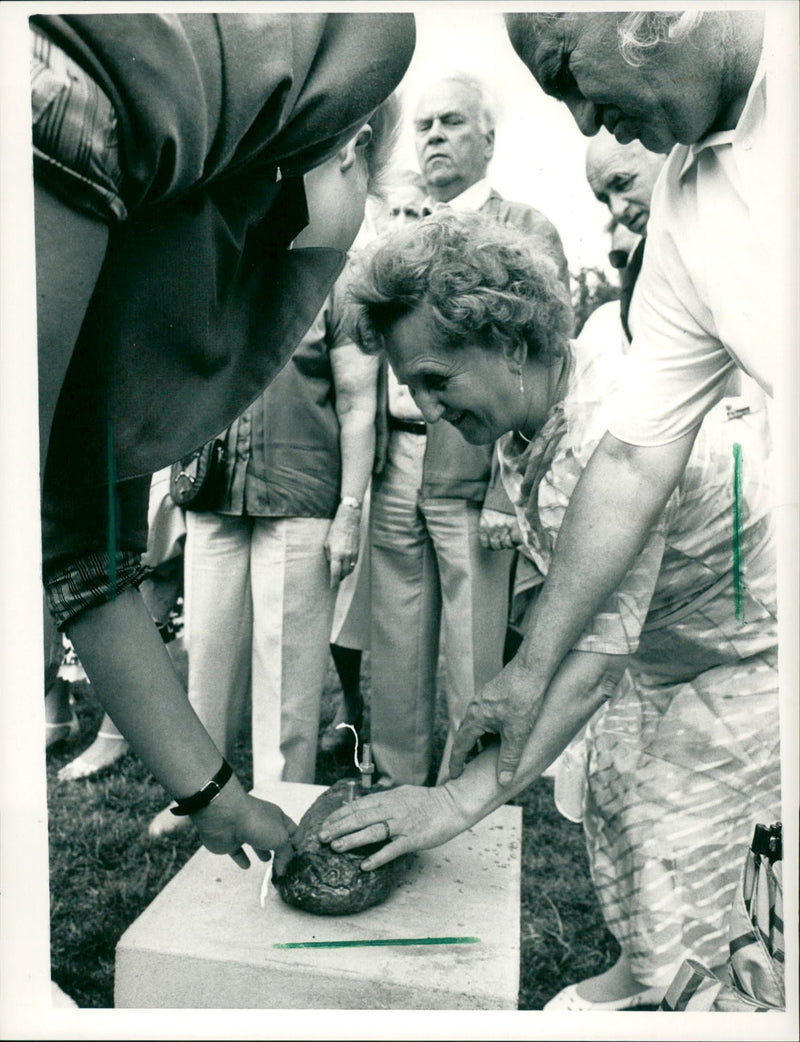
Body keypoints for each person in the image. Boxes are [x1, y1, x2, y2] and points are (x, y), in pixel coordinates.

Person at [317, 211, 780, 1008]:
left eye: (436, 379)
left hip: (754, 653)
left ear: (511, 343)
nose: (426, 410)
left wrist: (455, 803)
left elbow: (594, 665)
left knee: (679, 829)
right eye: (412, 387)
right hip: (663, 651)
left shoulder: (600, 436)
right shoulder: (552, 390)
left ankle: (717, 999)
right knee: (612, 798)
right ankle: (644, 972)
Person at [31, 11, 415, 870]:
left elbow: (83, 560)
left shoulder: (157, 209)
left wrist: (217, 795)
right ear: (347, 144)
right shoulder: (88, 98)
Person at [447, 8, 781, 790]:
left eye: (569, 74)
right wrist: (526, 674)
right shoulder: (689, 205)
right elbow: (633, 458)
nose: (587, 118)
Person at [367, 74, 568, 787]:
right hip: (397, 464)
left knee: (472, 648)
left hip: (473, 472)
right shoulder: (398, 226)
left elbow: (540, 371)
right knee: (395, 641)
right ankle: (394, 785)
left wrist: (505, 498)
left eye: (451, 121)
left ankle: (472, 791)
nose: (433, 137)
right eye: (422, 126)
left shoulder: (523, 227)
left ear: (488, 137)